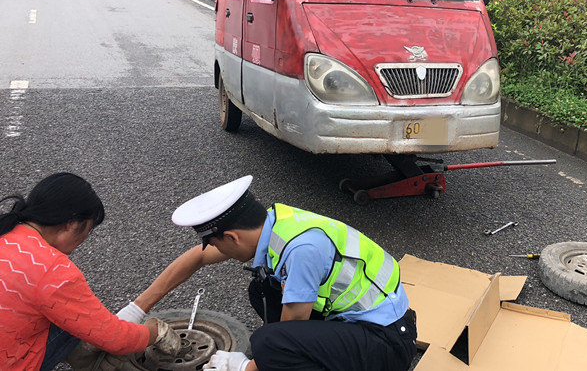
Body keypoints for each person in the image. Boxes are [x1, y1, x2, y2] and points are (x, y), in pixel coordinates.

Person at [127, 175, 417, 371]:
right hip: (362, 321)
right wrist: (137, 308)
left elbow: (289, 331)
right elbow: (198, 258)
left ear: (233, 238)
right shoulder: (274, 222)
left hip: (388, 343)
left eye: (218, 245)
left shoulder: (300, 250)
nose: (219, 253)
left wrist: (244, 366)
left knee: (269, 342)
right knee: (262, 290)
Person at [0, 172, 180, 371]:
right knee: (81, 320)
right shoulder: (52, 270)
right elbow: (115, 337)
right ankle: (99, 364)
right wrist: (156, 333)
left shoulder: (6, 231)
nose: (86, 236)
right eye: (90, 228)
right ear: (73, 223)